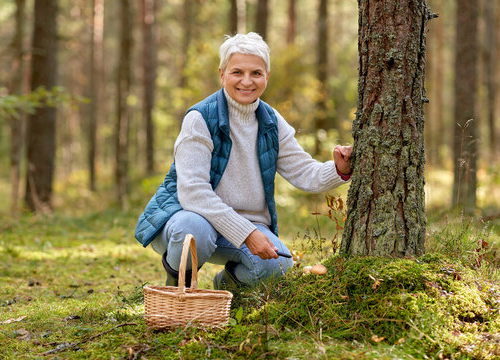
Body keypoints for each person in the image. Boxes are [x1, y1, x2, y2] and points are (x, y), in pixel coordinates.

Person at [134, 32, 352, 290]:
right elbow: (193, 193)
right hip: (187, 218)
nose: (247, 81)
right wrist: (247, 234)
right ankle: (176, 288)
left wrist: (339, 169)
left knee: (278, 266)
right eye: (237, 72)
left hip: (245, 225)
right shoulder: (200, 119)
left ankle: (225, 288)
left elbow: (304, 171)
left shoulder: (271, 121)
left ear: (267, 76)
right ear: (222, 74)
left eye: (256, 73)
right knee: (194, 230)